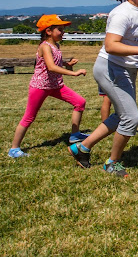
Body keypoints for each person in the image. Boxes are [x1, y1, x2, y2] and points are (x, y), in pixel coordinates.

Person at [68, 0, 138, 177]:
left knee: (122, 115)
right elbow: (111, 46)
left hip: (127, 68)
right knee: (131, 117)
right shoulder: (121, 13)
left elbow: (137, 41)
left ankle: (81, 148)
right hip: (111, 68)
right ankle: (112, 163)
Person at [9, 15, 87, 158]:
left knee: (80, 102)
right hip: (40, 86)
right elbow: (51, 67)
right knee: (29, 117)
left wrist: (66, 64)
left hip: (55, 85)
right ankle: (14, 149)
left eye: (63, 30)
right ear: (48, 31)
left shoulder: (56, 46)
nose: (63, 33)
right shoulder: (45, 46)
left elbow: (54, 62)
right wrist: (74, 73)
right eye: (60, 30)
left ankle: (75, 135)